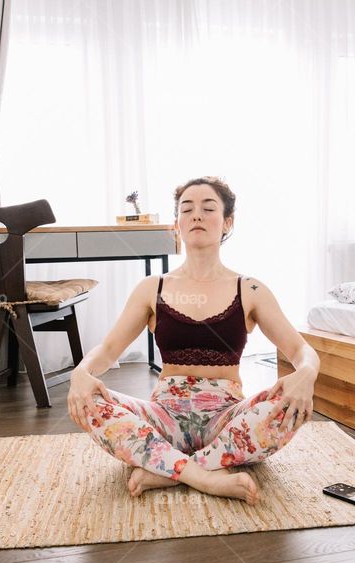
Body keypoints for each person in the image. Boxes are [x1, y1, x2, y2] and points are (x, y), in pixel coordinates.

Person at [67, 176, 320, 504]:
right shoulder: (151, 288)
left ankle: (165, 469)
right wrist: (81, 373)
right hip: (164, 417)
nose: (196, 215)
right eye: (187, 209)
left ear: (227, 222)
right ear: (177, 224)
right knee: (93, 403)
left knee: (288, 403)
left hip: (226, 418)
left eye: (207, 208)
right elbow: (108, 349)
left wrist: (306, 374)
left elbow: (301, 349)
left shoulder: (251, 289)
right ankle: (206, 475)